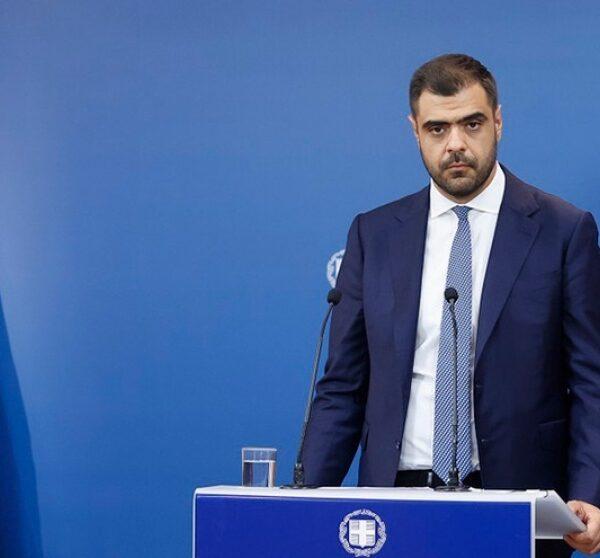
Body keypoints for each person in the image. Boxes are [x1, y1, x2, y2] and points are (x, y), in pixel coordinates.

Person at [302, 54, 600, 557]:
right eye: (437, 128)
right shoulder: (375, 235)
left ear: (498, 122)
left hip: (519, 503)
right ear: (415, 131)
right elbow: (343, 387)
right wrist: (304, 502)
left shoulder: (563, 230)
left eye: (472, 124)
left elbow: (592, 378)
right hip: (393, 504)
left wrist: (590, 491)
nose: (456, 143)